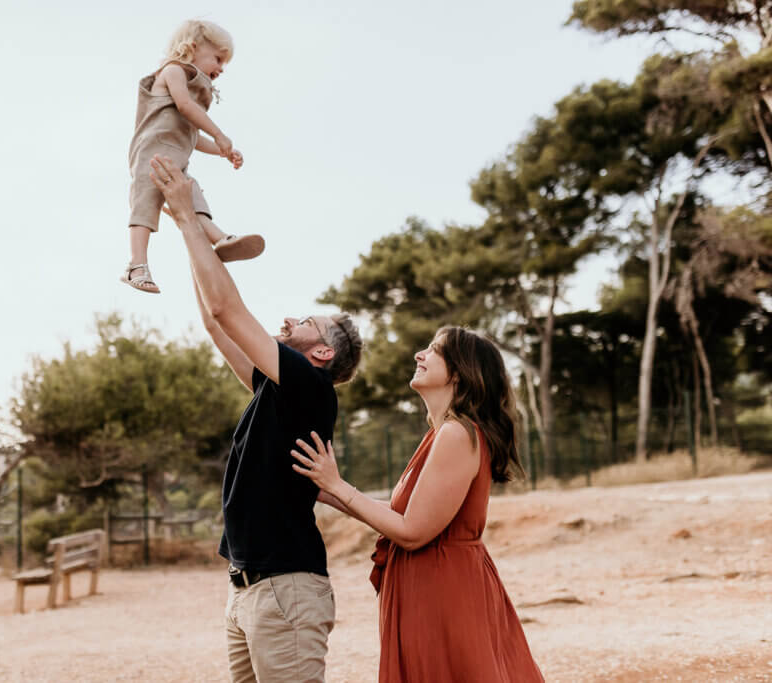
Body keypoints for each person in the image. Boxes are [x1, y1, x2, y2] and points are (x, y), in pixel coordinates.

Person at [149, 155, 363, 682]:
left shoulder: (310, 389)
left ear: (321, 354)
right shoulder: (278, 390)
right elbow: (213, 320)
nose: (290, 318)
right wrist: (189, 229)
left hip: (286, 590)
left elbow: (229, 311)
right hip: (248, 589)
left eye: (306, 321)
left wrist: (182, 215)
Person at [290, 327, 544, 682]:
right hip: (434, 583)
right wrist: (324, 489)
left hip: (443, 591)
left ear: (458, 371)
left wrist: (338, 486)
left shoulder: (457, 434)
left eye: (433, 350)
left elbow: (412, 532)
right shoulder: (442, 433)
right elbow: (401, 514)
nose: (418, 355)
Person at [123, 19, 264, 294]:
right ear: (193, 47)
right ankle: (136, 265)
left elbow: (191, 136)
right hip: (152, 156)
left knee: (192, 201)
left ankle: (221, 239)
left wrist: (223, 152)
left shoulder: (189, 93)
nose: (221, 69)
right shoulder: (173, 71)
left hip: (177, 163)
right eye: (218, 59)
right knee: (146, 205)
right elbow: (187, 107)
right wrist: (220, 135)